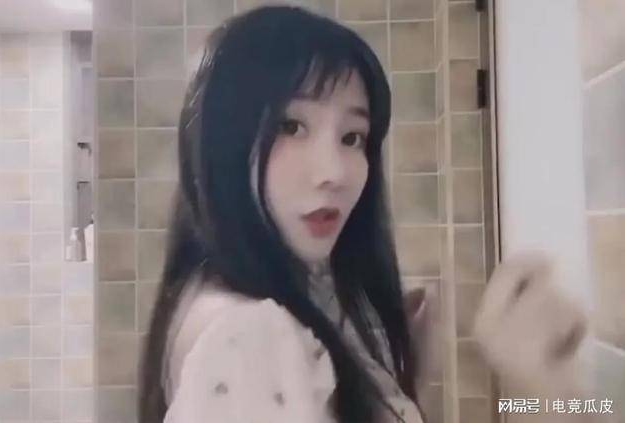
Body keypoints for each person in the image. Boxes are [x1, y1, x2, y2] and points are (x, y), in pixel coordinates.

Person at [139, 5, 599, 423]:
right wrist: (546, 393)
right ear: (221, 145)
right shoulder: (248, 338)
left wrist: (394, 380)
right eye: (290, 126)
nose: (335, 173)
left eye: (352, 137)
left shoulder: (226, 294)